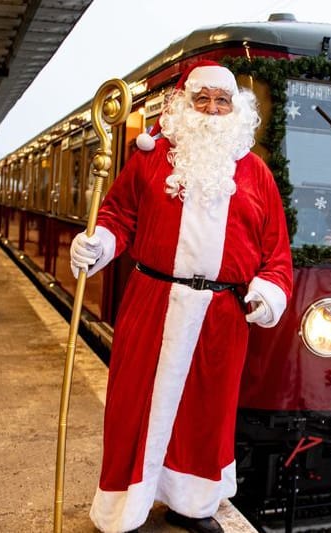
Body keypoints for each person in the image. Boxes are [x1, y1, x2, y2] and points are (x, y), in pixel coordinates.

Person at [69, 60, 293, 533]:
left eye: (222, 101)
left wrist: (267, 292)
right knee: (134, 406)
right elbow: (118, 216)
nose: (212, 109)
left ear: (236, 109)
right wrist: (98, 243)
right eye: (203, 99)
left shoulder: (256, 174)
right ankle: (122, 509)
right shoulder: (151, 159)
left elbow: (276, 251)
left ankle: (192, 505)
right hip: (153, 303)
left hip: (221, 316)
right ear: (185, 105)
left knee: (206, 415)